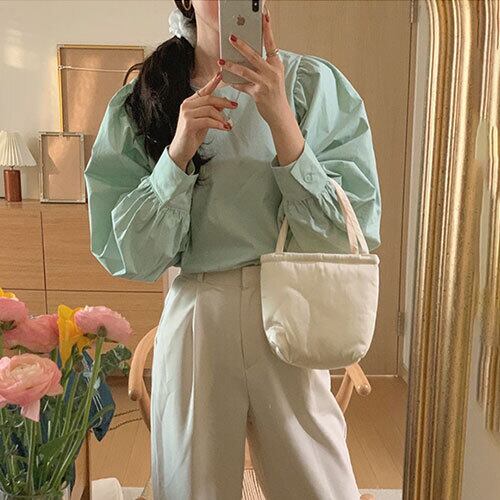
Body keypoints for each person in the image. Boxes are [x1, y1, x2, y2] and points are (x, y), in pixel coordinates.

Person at [83, 0, 381, 498]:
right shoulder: (147, 97)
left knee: (320, 486)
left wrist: (282, 121)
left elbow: (350, 233)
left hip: (292, 303)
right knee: (192, 487)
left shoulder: (314, 87)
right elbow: (128, 252)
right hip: (198, 312)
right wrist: (177, 152)